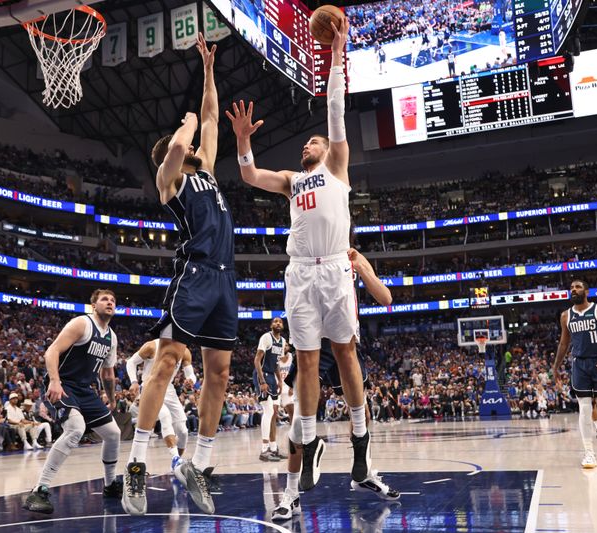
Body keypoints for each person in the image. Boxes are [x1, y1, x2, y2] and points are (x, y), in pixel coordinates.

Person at [228, 19, 373, 493]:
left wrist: (338, 53)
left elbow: (335, 106)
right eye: (306, 142)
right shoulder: (292, 179)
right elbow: (249, 177)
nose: (307, 143)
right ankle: (308, 447)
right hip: (299, 275)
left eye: (313, 140)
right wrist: (244, 140)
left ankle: (359, 440)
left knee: (346, 354)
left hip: (334, 270)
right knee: (307, 362)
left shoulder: (336, 164)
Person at [122, 33, 235, 517]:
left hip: (226, 279)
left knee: (220, 372)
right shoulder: (170, 180)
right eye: (181, 144)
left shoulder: (205, 167)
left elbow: (210, 117)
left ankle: (201, 468)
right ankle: (136, 464)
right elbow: (184, 137)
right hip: (193, 275)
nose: (188, 143)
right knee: (166, 363)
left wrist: (208, 71)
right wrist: (183, 124)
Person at [272, 248, 399, 521]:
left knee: (361, 412)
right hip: (314, 346)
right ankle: (291, 494)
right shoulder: (307, 255)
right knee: (297, 426)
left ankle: (363, 473)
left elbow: (386, 298)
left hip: (344, 343)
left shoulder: (349, 256)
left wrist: (361, 268)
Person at [22, 289, 122, 514]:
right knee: (75, 429)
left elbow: (107, 374)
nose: (110, 302)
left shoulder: (111, 337)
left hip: (85, 389)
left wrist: (112, 399)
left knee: (113, 434)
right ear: (93, 305)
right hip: (63, 383)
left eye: (113, 300)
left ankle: (110, 485)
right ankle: (39, 490)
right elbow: (52, 351)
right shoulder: (82, 324)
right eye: (104, 299)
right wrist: (55, 381)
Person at [552, 279, 597, 469]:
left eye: (577, 287)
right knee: (584, 409)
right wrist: (556, 366)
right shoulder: (566, 315)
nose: (573, 290)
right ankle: (589, 453)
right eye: (571, 287)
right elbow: (564, 344)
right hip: (580, 364)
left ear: (586, 291)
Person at [126, 340, 194, 462]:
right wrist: (134, 381)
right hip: (150, 386)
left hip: (169, 390)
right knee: (165, 416)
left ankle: (177, 462)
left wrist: (190, 381)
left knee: (183, 431)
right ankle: (174, 456)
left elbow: (191, 374)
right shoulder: (151, 346)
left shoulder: (184, 351)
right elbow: (131, 362)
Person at [254, 317, 286, 462]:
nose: (277, 323)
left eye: (280, 322)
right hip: (263, 375)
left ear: (283, 326)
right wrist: (262, 381)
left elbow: (277, 364)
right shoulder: (266, 337)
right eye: (275, 321)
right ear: (271, 325)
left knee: (273, 414)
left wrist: (280, 381)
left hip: (273, 376)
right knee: (268, 412)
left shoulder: (283, 341)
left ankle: (273, 448)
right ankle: (264, 450)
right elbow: (256, 360)